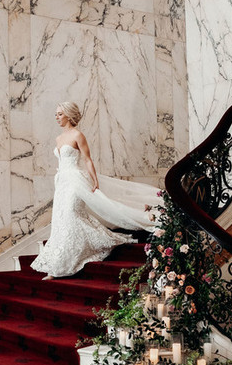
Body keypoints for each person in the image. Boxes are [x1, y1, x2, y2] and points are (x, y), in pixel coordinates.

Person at [31, 101, 162, 279]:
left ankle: (68, 259)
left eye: (60, 114)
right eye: (56, 114)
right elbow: (61, 163)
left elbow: (87, 160)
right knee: (61, 219)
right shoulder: (58, 139)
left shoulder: (78, 135)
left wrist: (94, 180)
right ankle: (56, 265)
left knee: (71, 212)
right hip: (62, 181)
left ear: (69, 115)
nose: (56, 117)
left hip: (76, 180)